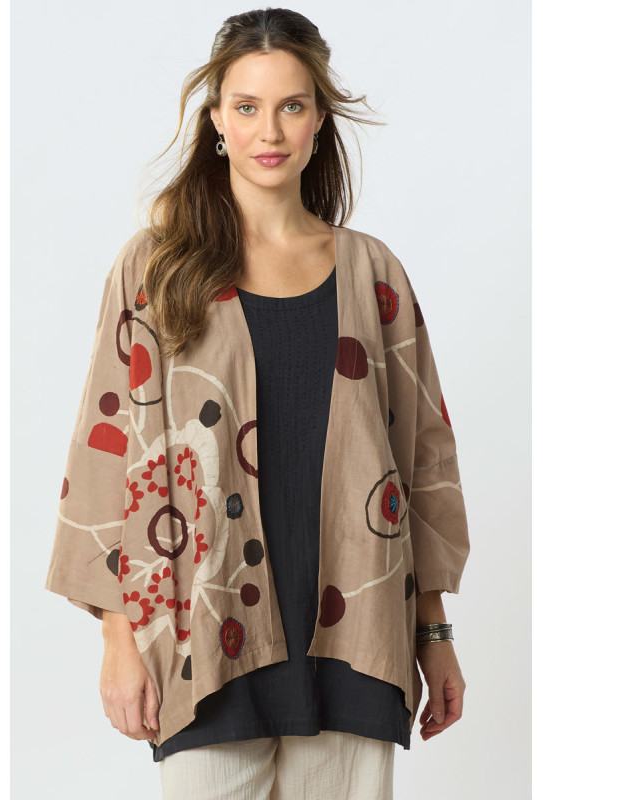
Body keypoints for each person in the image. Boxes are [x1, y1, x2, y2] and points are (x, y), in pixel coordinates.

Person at [44, 8, 470, 799]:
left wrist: (435, 633)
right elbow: (107, 449)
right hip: (205, 642)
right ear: (216, 119)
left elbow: (423, 460)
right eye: (246, 106)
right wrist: (118, 641)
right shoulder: (156, 268)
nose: (268, 131)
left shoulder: (373, 274)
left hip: (357, 638)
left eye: (291, 105)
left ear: (319, 119)